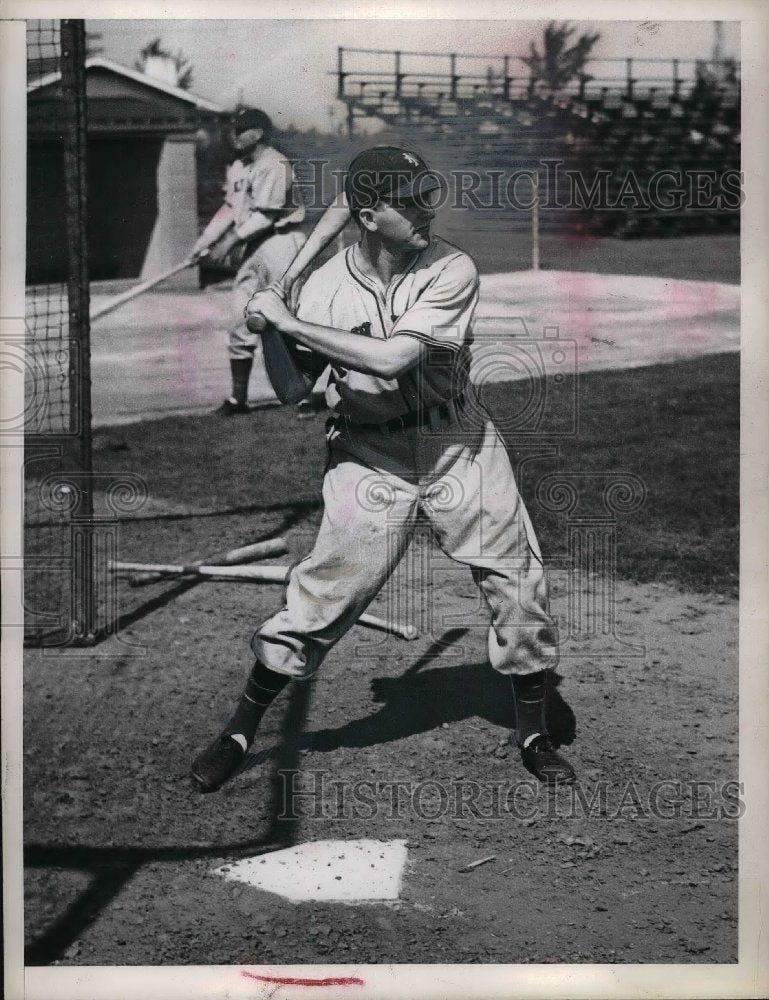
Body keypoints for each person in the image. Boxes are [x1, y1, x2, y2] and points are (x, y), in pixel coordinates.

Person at [191, 145, 576, 792]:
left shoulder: (451, 267)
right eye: (408, 201)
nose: (427, 209)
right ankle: (239, 728)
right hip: (368, 455)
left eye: (427, 194)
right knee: (322, 599)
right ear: (365, 216)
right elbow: (294, 392)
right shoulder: (317, 286)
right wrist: (273, 331)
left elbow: (394, 359)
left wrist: (288, 318)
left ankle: (532, 731)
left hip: (458, 440)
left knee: (517, 584)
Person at [191, 107, 306, 414]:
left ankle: (307, 395)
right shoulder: (240, 166)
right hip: (253, 246)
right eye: (233, 129)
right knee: (241, 318)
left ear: (258, 133)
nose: (234, 135)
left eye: (240, 129)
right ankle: (237, 400)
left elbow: (266, 216)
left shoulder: (275, 164)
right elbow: (229, 210)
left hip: (283, 243)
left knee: (290, 319)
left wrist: (229, 242)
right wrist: (203, 244)